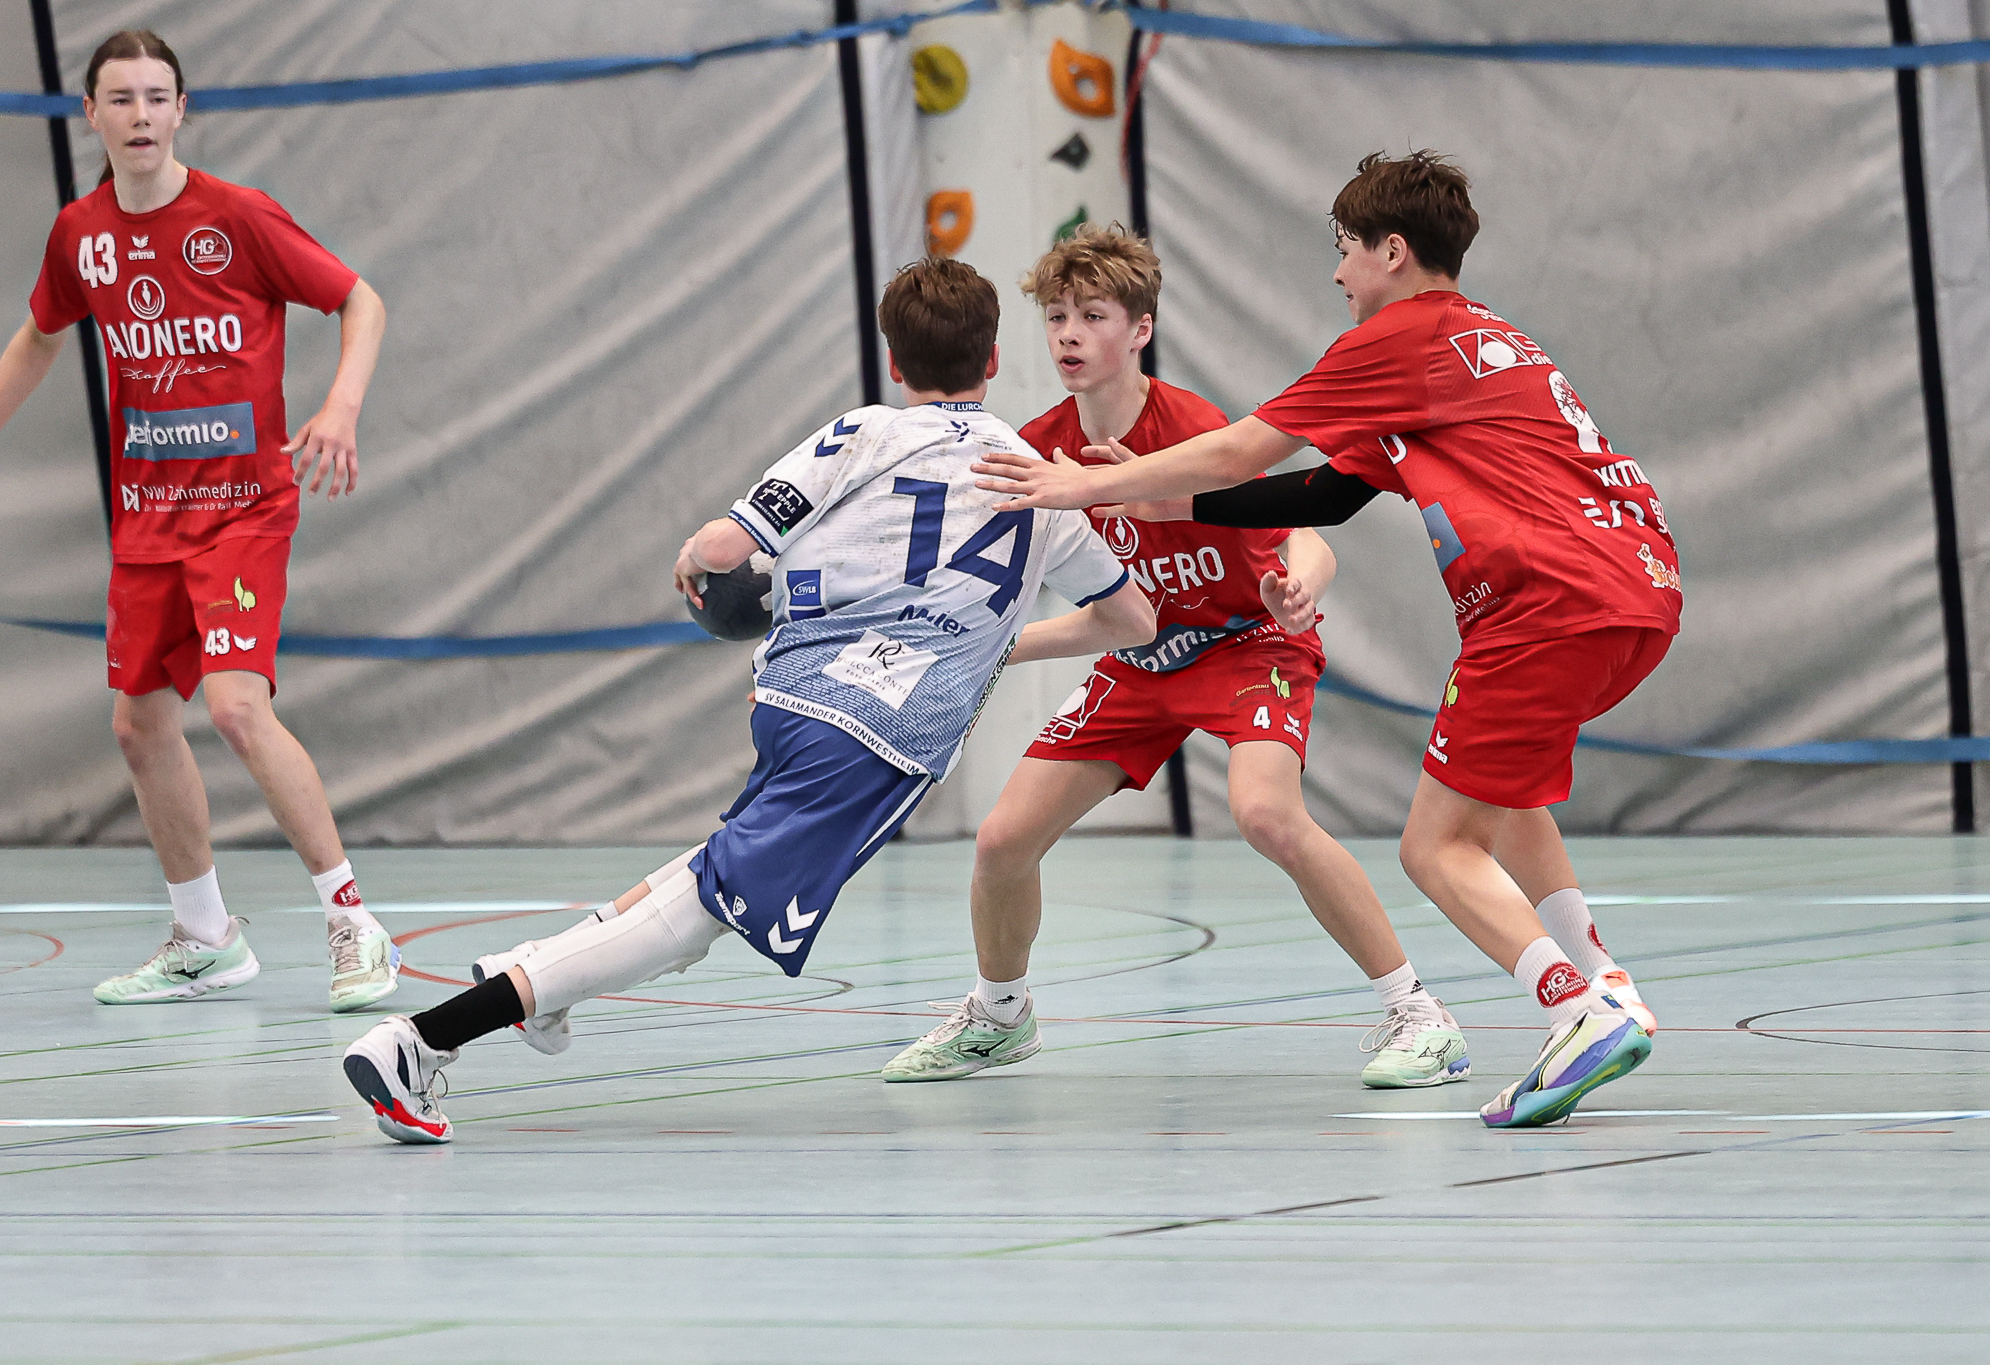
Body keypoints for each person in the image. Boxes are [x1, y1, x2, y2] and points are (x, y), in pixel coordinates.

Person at [340, 257, 1156, 1144]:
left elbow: (725, 549)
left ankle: (542, 971)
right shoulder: (1041, 484)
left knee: (720, 864)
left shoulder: (863, 431)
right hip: (880, 735)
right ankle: (422, 1039)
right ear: (993, 359)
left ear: (893, 361)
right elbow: (1132, 619)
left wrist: (694, 558)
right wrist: (992, 641)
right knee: (700, 915)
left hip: (793, 693)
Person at [970, 152, 1677, 1129]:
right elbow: (1327, 492)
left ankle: (1574, 1009)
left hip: (1540, 601)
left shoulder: (1394, 339)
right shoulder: (1488, 338)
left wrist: (1087, 484)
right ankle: (1606, 984)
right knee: (1505, 796)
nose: (1338, 271)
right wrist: (1174, 504)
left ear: (1393, 252)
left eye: (1346, 250)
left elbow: (1240, 451)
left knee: (1434, 846)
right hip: (1637, 582)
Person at [881, 227, 1468, 1088]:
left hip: (1249, 644)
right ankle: (1000, 1014)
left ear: (1141, 329)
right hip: (1142, 662)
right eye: (1057, 317)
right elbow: (1106, 623)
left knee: (1266, 814)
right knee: (1003, 840)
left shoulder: (1192, 429)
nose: (1070, 334)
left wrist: (1299, 589)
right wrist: (972, 652)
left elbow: (1307, 539)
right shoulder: (1038, 451)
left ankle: (1420, 1014)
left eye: (1093, 315)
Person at [0, 30, 398, 1011]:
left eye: (157, 97)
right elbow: (38, 335)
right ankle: (206, 938)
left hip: (242, 512)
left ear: (181, 110)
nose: (141, 115)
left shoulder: (237, 217)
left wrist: (341, 406)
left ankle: (354, 923)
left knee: (234, 707)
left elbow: (359, 300)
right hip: (149, 519)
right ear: (91, 115)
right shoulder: (82, 235)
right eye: (121, 98)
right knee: (140, 725)